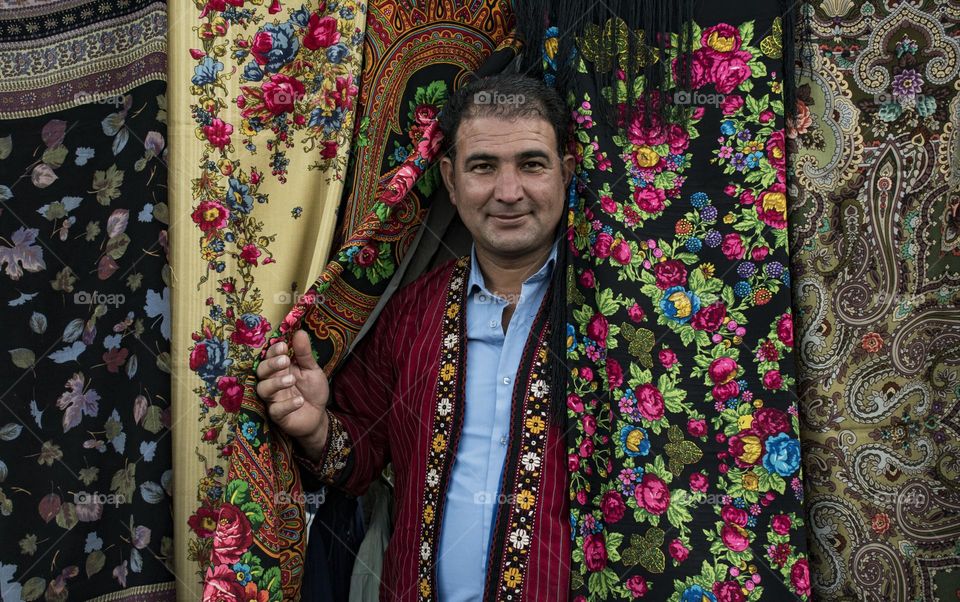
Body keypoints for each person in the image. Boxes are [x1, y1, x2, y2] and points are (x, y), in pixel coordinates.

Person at [255, 73, 575, 601]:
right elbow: (360, 460)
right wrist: (313, 425)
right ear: (450, 179)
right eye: (483, 167)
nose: (509, 191)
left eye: (532, 164)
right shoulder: (410, 316)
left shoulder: (608, 318)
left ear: (566, 171)